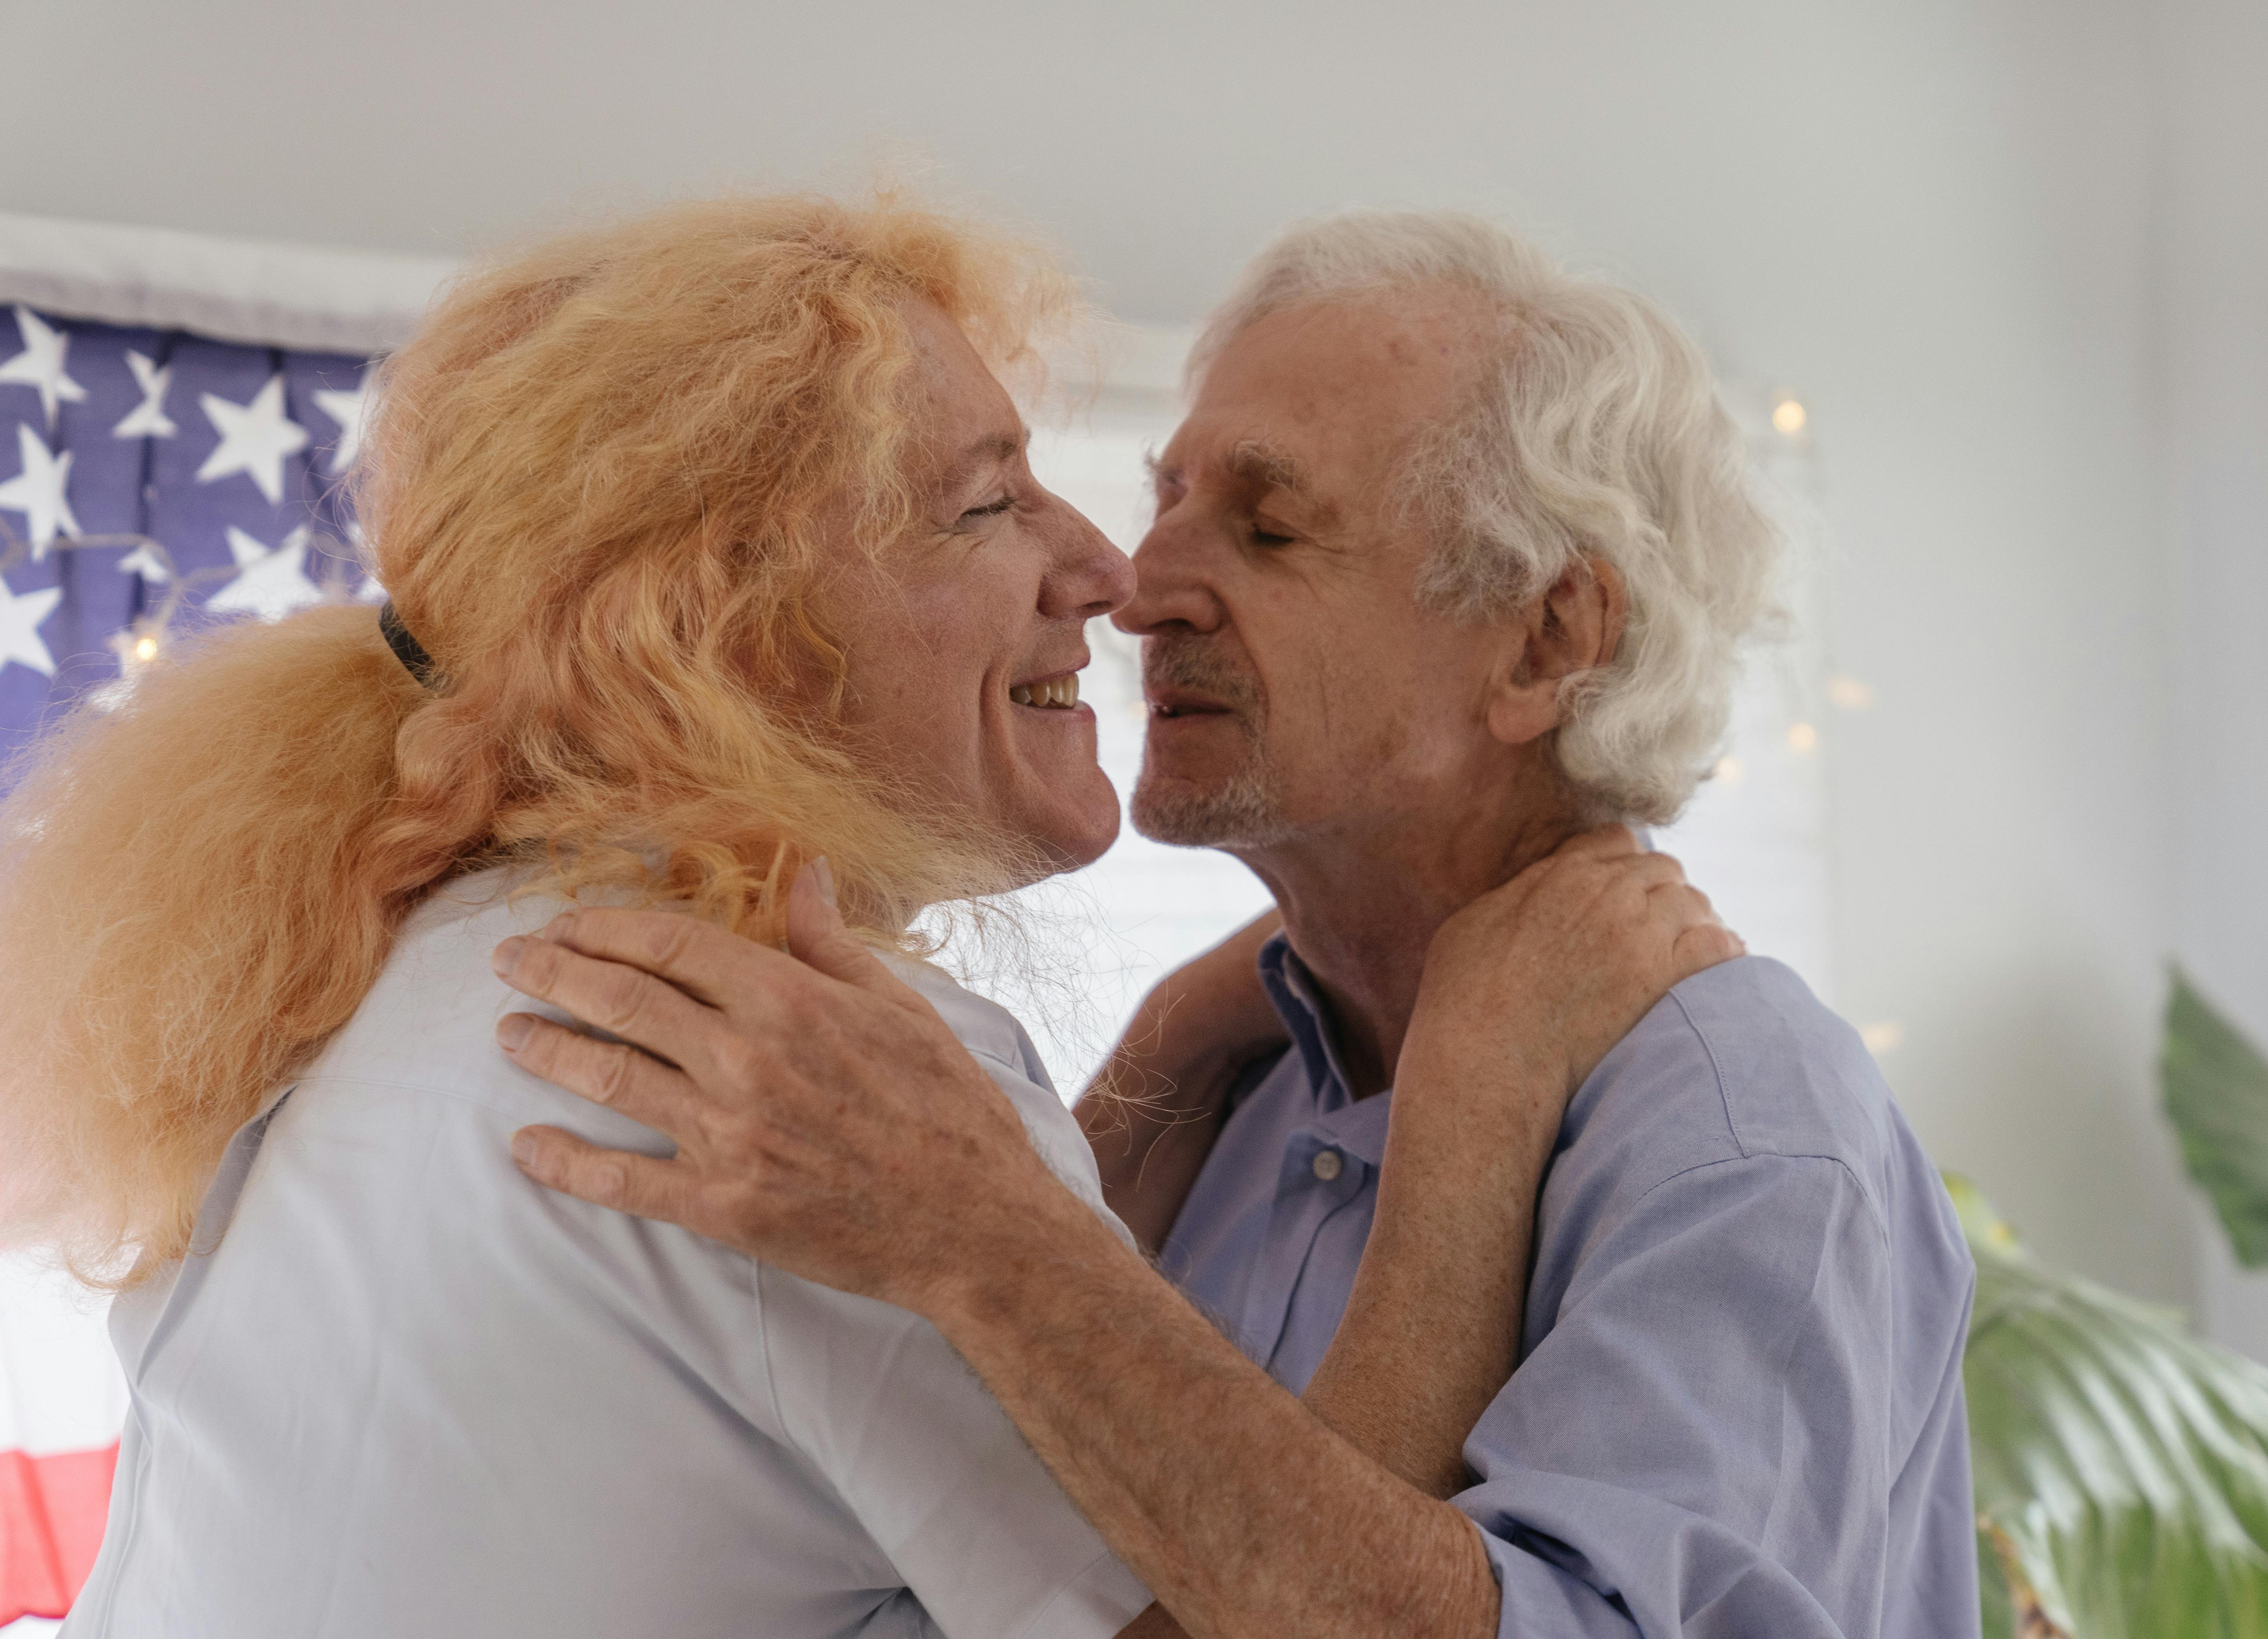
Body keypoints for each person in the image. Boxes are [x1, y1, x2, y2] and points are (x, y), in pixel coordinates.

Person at [0, 194, 1735, 1638]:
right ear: (730, 643)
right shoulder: (760, 1070)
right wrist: (1479, 1092)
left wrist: (1136, 1075)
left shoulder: (375, 961)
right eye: (985, 502)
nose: (1110, 573)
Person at [498, 211, 1984, 1636]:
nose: (1136, 592)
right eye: (1168, 498)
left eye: (1267, 529)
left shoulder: (1740, 1131)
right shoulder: (1237, 1078)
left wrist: (990, 1236)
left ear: (1544, 639)